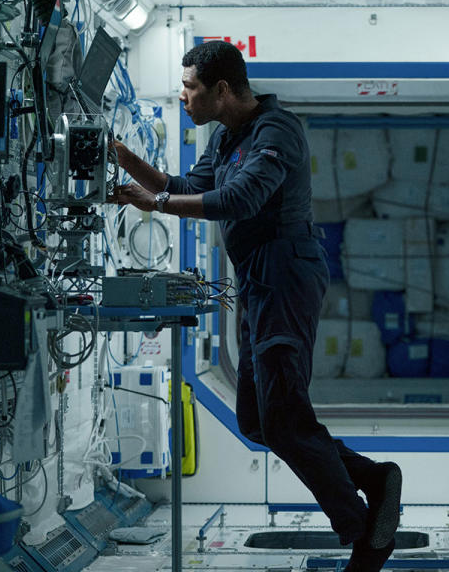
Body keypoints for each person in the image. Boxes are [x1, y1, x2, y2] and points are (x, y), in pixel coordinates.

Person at [107, 40, 402, 571]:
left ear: (222, 90)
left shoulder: (276, 131)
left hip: (285, 275)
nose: (183, 97)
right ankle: (372, 478)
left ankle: (363, 532)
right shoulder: (226, 138)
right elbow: (182, 187)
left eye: (190, 88)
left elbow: (239, 199)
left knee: (285, 418)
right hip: (259, 282)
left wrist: (157, 204)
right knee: (256, 419)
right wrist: (129, 165)